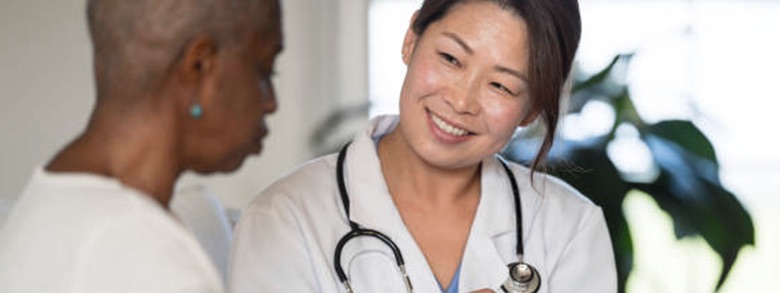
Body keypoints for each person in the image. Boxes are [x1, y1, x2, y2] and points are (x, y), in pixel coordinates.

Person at [230, 0, 616, 292]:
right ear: (411, 39)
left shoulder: (570, 229)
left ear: (532, 109)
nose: (462, 101)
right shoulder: (284, 219)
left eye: (501, 85)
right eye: (450, 58)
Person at [0, 0, 282, 292]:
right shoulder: (139, 250)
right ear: (198, 66)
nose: (272, 102)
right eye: (265, 70)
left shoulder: (49, 201)